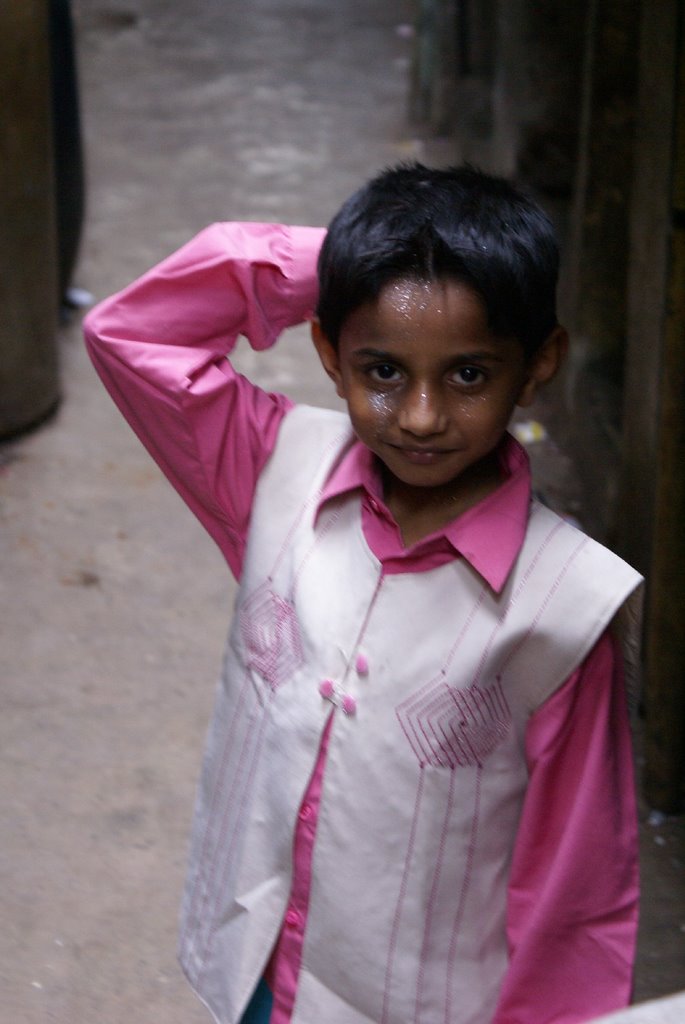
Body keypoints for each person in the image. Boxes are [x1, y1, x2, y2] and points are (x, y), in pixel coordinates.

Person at [83, 164, 642, 1024]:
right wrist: (359, 263)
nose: (418, 416)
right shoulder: (274, 470)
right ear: (328, 353)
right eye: (380, 368)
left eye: (466, 375)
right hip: (258, 974)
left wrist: (446, 280)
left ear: (539, 364)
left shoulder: (565, 609)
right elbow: (131, 336)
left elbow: (574, 898)